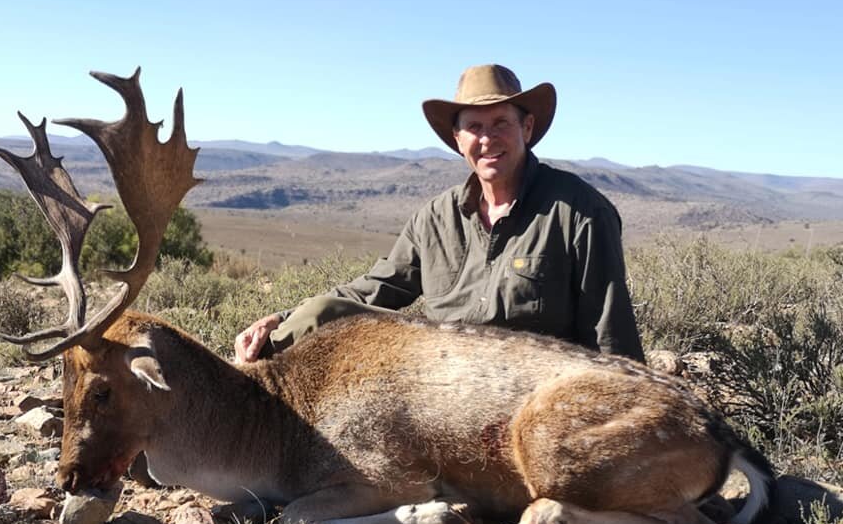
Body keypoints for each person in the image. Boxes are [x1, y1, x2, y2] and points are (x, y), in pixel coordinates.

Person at [235, 64, 645, 363]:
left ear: (527, 128)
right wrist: (281, 320)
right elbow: (375, 289)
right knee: (319, 318)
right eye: (475, 126)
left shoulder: (580, 213)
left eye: (501, 122)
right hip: (438, 387)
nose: (487, 138)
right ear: (457, 137)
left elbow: (610, 335)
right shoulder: (435, 219)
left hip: (534, 391)